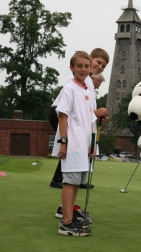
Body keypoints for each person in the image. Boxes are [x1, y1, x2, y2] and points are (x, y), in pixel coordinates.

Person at [49, 48, 109, 189]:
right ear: (90, 58)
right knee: (71, 146)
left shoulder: (88, 82)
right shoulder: (80, 79)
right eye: (98, 62)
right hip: (61, 112)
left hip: (70, 115)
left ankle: (75, 179)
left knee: (76, 146)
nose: (100, 67)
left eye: (103, 66)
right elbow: (74, 105)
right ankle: (63, 179)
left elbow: (86, 109)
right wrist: (96, 112)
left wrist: (95, 115)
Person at [52, 51, 96, 236]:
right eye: (79, 66)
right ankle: (66, 222)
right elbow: (62, 115)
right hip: (73, 144)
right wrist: (64, 143)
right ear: (72, 68)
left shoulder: (86, 88)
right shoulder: (70, 88)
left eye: (87, 66)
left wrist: (94, 143)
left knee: (77, 182)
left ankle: (71, 218)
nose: (83, 69)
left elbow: (91, 118)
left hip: (84, 145)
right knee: (69, 182)